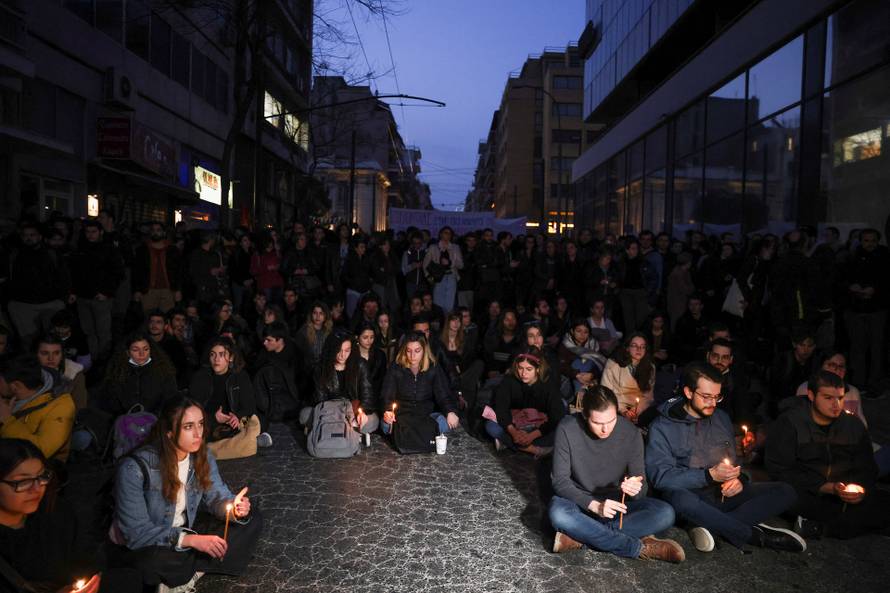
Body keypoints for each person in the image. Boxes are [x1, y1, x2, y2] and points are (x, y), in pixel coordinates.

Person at [646, 363, 805, 553]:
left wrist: (738, 479)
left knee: (786, 491)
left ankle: (712, 525)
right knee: (680, 500)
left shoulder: (721, 418)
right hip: (690, 495)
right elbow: (661, 477)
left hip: (721, 494)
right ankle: (754, 535)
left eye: (717, 397)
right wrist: (708, 476)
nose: (712, 403)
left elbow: (734, 463)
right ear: (688, 392)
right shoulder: (662, 426)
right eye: (706, 397)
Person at [109, 397, 263, 592]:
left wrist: (235, 508)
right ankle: (192, 568)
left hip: (186, 530)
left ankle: (189, 575)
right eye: (188, 427)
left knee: (252, 519)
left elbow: (217, 496)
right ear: (169, 431)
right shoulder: (134, 468)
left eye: (200, 424)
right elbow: (136, 533)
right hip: (153, 541)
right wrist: (190, 540)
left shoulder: (202, 455)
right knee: (148, 564)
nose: (198, 433)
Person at [549, 386, 684, 562]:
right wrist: (596, 506)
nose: (606, 429)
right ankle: (637, 547)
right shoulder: (567, 427)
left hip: (616, 506)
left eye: (611, 420)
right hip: (579, 502)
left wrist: (635, 489)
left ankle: (580, 537)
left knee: (665, 513)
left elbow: (642, 487)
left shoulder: (631, 433)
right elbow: (560, 482)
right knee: (558, 513)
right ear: (584, 416)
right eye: (597, 423)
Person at [0, 438, 139, 593]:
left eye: (42, 476)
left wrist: (89, 582)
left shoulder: (56, 512)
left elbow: (85, 560)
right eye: (23, 481)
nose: (37, 488)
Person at [766, 371, 890, 540]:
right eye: (828, 398)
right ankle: (837, 525)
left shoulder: (853, 426)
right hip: (808, 491)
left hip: (843, 496)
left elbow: (867, 467)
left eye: (840, 398)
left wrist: (860, 488)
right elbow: (779, 469)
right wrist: (825, 487)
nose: (836, 404)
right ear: (811, 395)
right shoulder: (790, 423)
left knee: (880, 502)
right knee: (784, 495)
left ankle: (818, 527)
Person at [189, 337, 269, 451]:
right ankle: (243, 442)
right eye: (213, 355)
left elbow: (249, 405)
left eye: (221, 354)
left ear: (231, 357)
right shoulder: (201, 377)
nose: (216, 359)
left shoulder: (240, 376)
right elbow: (193, 410)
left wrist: (237, 417)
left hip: (237, 421)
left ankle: (242, 440)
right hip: (211, 423)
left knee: (253, 420)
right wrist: (213, 418)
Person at [486, 349, 565, 456]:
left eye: (529, 369)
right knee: (491, 427)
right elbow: (502, 408)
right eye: (520, 368)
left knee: (563, 427)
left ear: (537, 369)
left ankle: (509, 443)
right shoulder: (509, 381)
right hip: (515, 423)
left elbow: (556, 415)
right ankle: (533, 449)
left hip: (539, 425)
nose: (523, 373)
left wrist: (532, 435)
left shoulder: (548, 383)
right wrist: (513, 433)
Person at [380, 331, 459, 436]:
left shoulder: (433, 368)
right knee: (386, 425)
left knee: (447, 422)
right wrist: (388, 411)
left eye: (417, 351)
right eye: (409, 351)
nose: (412, 356)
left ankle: (411, 435)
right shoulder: (396, 367)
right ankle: (419, 434)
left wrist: (450, 411)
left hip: (425, 416)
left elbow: (443, 395)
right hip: (402, 417)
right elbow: (386, 396)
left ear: (424, 350)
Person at [301, 333, 379, 436]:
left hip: (352, 411)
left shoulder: (360, 365)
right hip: (330, 412)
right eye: (338, 350)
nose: (342, 355)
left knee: (373, 420)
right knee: (304, 414)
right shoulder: (321, 368)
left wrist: (362, 412)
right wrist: (339, 414)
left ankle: (331, 429)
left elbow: (367, 396)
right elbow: (320, 401)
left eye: (347, 350)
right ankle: (349, 431)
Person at [7, 223, 71, 346]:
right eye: (25, 235)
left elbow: (64, 277)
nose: (28, 238)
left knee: (53, 339)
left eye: (32, 235)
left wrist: (62, 299)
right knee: (28, 341)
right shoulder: (15, 255)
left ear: (40, 237)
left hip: (50, 303)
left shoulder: (51, 254)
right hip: (23, 305)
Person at [0, 357, 75, 463]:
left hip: (34, 471)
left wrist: (7, 421)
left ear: (15, 386)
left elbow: (41, 450)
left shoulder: (60, 407)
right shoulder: (7, 396)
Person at [70, 219, 124, 361]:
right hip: (83, 296)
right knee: (88, 331)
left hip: (101, 298)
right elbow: (75, 273)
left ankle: (104, 360)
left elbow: (118, 273)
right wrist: (74, 291)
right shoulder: (80, 249)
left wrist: (107, 292)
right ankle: (94, 358)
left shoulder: (109, 249)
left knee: (103, 331)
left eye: (93, 231)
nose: (90, 235)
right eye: (88, 232)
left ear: (100, 232)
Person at [843, 228, 889, 389]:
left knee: (876, 348)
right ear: (861, 241)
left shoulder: (884, 257)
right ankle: (859, 383)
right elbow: (842, 279)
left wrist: (875, 290)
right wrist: (851, 287)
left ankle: (873, 383)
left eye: (872, 241)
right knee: (858, 348)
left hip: (877, 309)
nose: (869, 244)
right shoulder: (852, 257)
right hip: (856, 309)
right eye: (866, 240)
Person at [99, 333, 178, 417]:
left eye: (146, 349)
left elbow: (170, 401)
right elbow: (110, 403)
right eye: (135, 350)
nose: (142, 354)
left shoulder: (164, 372)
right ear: (127, 352)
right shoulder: (117, 374)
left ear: (151, 350)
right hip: (124, 423)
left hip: (157, 422)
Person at [599, 333, 655, 423]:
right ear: (627, 348)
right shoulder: (613, 364)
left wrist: (636, 411)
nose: (639, 349)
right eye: (634, 345)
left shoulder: (650, 367)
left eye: (643, 346)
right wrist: (623, 411)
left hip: (639, 407)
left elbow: (648, 396)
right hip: (617, 405)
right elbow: (606, 391)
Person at [252, 321, 301, 423]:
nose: (265, 343)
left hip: (290, 399)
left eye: (269, 340)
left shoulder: (294, 353)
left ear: (280, 340)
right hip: (268, 400)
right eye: (265, 339)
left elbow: (299, 379)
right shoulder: (264, 353)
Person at [132, 221, 183, 313]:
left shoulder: (172, 250)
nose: (155, 232)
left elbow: (179, 271)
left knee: (168, 319)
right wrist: (137, 290)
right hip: (148, 290)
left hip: (168, 290)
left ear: (164, 232)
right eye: (153, 230)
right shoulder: (142, 250)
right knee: (149, 320)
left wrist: (178, 289)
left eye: (158, 230)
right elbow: (137, 271)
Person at [35, 333, 88, 410]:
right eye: (45, 353)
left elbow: (80, 408)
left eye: (56, 353)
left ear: (62, 354)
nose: (50, 358)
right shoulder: (28, 373)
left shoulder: (74, 375)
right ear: (36, 354)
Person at [557, 320, 606, 397]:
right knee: (578, 362)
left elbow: (599, 365)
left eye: (585, 332)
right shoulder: (565, 344)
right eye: (579, 331)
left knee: (588, 362)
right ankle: (581, 396)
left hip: (590, 378)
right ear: (572, 331)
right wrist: (577, 375)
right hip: (569, 380)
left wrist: (592, 375)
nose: (582, 335)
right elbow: (561, 366)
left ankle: (581, 397)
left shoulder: (593, 345)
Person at [423, 226, 463, 314]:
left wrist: (450, 263)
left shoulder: (455, 247)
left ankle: (447, 322)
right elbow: (425, 264)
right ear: (441, 234)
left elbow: (461, 265)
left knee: (449, 304)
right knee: (438, 303)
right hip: (438, 277)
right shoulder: (433, 247)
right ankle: (439, 322)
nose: (447, 235)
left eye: (449, 233)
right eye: (445, 232)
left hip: (451, 276)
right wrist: (428, 276)